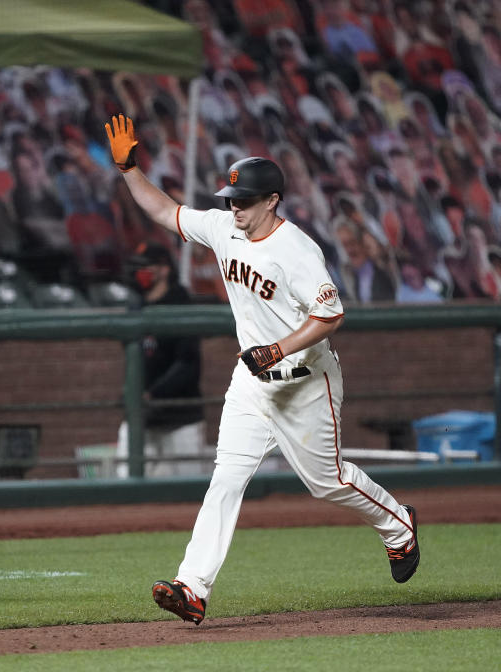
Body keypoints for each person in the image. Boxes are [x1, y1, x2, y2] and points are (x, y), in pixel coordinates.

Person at [104, 114, 419, 625]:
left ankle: (399, 525)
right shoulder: (225, 227)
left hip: (306, 385)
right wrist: (129, 169)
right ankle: (193, 587)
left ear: (271, 200)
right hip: (251, 386)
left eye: (244, 201)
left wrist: (277, 350)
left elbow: (331, 314)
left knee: (328, 482)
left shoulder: (296, 249)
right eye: (231, 198)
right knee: (225, 480)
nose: (234, 208)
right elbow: (165, 211)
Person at [115, 241, 206, 478]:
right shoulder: (136, 306)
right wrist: (132, 393)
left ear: (164, 269)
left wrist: (153, 393)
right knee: (127, 485)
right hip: (142, 417)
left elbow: (188, 364)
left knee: (188, 492)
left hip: (179, 418)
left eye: (145, 267)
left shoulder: (180, 304)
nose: (138, 273)